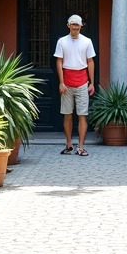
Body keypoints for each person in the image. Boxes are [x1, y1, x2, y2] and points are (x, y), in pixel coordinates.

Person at [54, 14, 96, 156]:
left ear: (81, 26)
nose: (75, 26)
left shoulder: (87, 41)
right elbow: (59, 61)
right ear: (68, 25)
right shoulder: (61, 41)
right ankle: (69, 144)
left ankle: (81, 146)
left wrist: (91, 82)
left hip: (82, 81)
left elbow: (90, 62)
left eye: (77, 24)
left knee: (82, 115)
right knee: (67, 115)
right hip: (67, 82)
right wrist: (61, 82)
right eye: (73, 24)